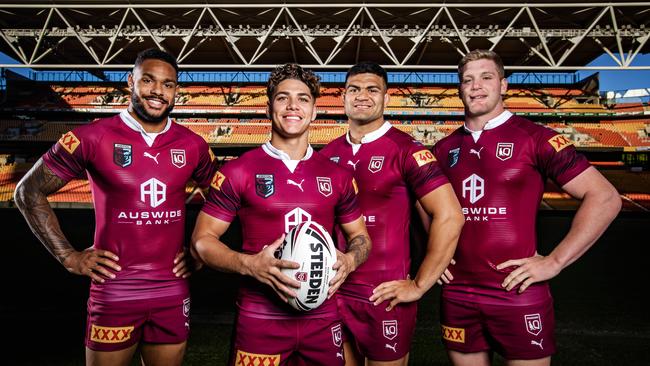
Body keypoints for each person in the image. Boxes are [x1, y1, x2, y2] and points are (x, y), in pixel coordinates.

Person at [13, 48, 216, 366]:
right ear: (130, 81)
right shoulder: (92, 137)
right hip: (116, 289)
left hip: (172, 289)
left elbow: (223, 199)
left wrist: (200, 249)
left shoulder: (194, 145)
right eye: (148, 80)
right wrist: (68, 256)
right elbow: (27, 191)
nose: (157, 92)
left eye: (168, 84)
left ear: (176, 90)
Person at [431, 49, 622, 366]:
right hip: (458, 294)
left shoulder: (536, 138)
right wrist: (437, 252)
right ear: (460, 89)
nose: (476, 86)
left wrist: (556, 261)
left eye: (486, 77)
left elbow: (604, 197)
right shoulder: (443, 148)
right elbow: (428, 205)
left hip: (518, 291)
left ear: (503, 85)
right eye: (468, 80)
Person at [191, 63, 371, 366]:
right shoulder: (238, 171)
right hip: (260, 316)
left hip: (322, 316)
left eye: (303, 99)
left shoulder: (338, 175)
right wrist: (248, 264)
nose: (292, 106)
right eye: (282, 98)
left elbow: (361, 237)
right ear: (268, 107)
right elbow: (202, 240)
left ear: (314, 111)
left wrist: (351, 260)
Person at [319, 62, 464, 366]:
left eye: (372, 89)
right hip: (331, 289)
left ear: (386, 99)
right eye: (354, 89)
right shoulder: (327, 155)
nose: (362, 96)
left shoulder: (407, 150)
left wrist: (420, 284)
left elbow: (450, 216)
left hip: (384, 294)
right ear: (342, 97)